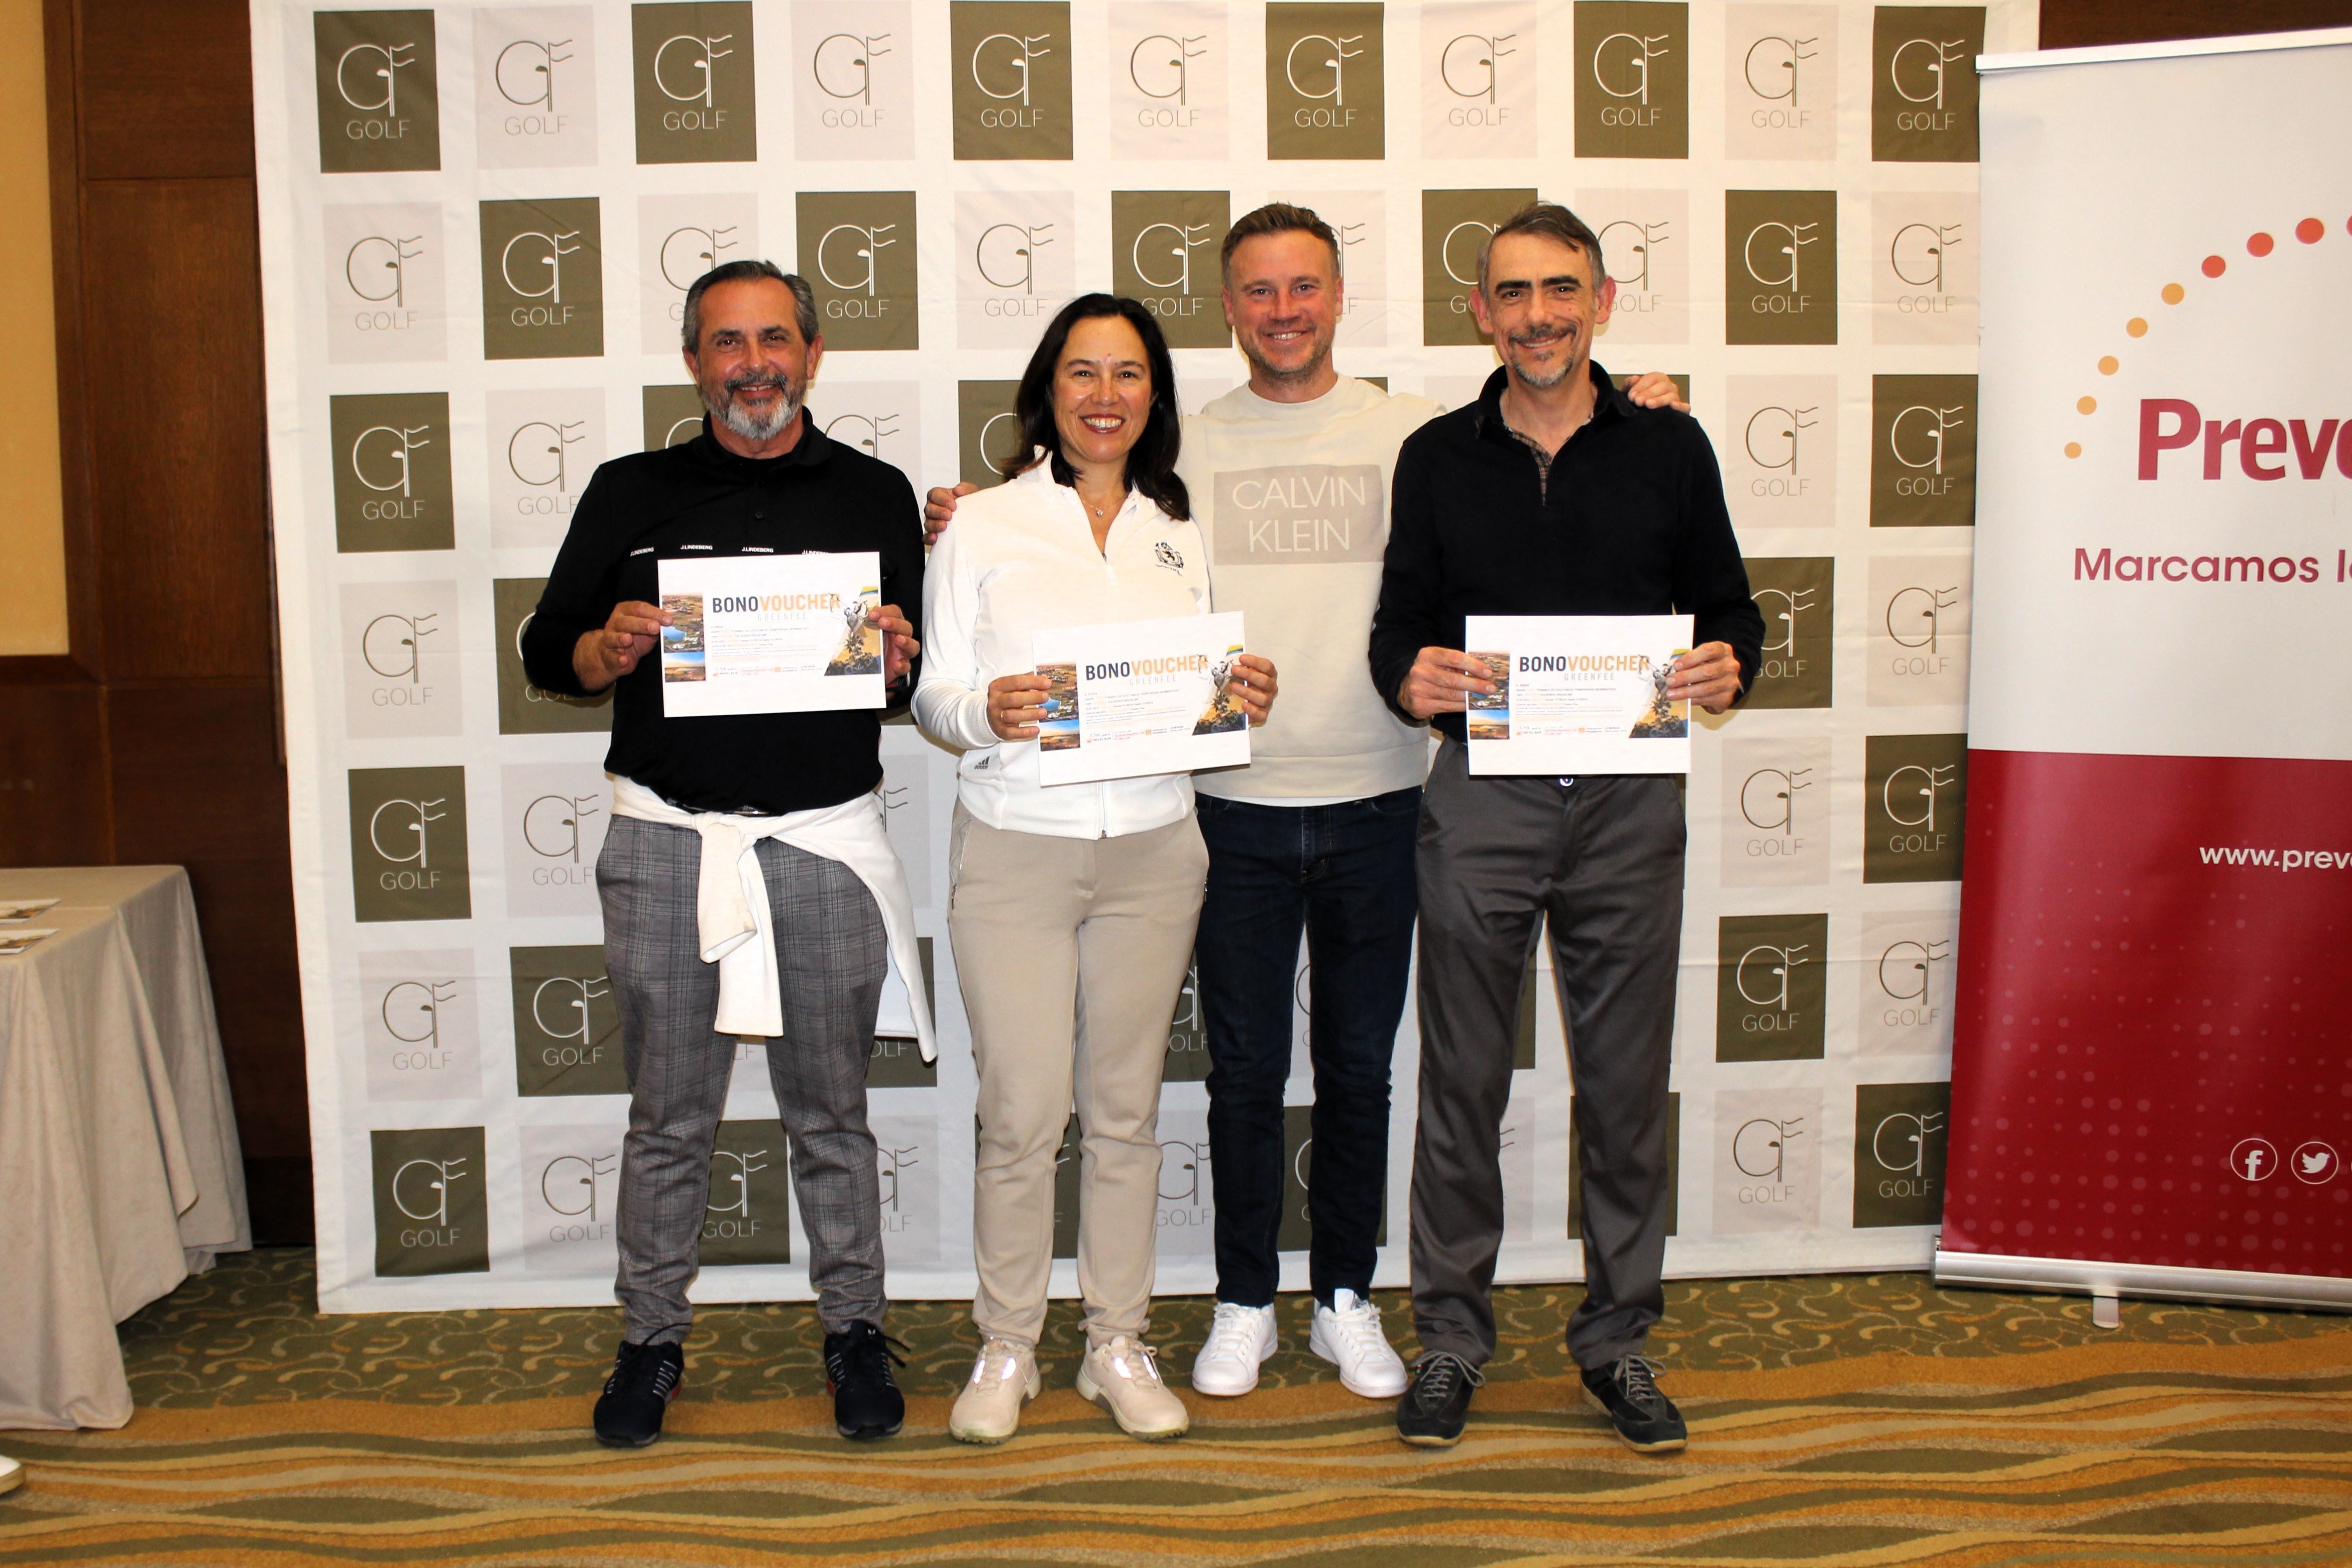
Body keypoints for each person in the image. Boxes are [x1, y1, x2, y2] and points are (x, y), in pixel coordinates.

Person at [925, 206, 1690, 1404]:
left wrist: (1641, 397)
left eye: (1304, 288)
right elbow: (1077, 526)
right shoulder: (1178, 454)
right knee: (1239, 1072)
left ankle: (1342, 1295)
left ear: (1338, 298)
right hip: (1226, 808)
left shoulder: (1417, 435)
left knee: (1359, 1072)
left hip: (1382, 799)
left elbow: (1543, 409)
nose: (1282, 311)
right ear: (1228, 309)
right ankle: (1242, 1299)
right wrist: (974, 514)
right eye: (1257, 291)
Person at [1369, 203, 1764, 1453]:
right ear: (1479, 313)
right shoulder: (1435, 456)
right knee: (1461, 1083)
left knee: (1624, 1087)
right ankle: (1449, 1340)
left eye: (1559, 289)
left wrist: (1727, 662)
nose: (1536, 315)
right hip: (1481, 793)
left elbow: (1729, 608)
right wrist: (1408, 679)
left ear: (1599, 299)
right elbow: (1398, 626)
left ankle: (1617, 1342)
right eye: (1511, 293)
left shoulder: (1667, 443)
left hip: (1626, 801)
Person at [520, 259, 930, 1449]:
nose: (753, 364)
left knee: (832, 1112)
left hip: (824, 842)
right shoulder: (629, 488)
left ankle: (854, 1329)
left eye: (773, 338)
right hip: (666, 841)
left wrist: (898, 657)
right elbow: (548, 647)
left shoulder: (873, 493)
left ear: (811, 352)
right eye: (727, 342)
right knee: (668, 1115)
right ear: (695, 361)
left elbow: (908, 671)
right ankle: (650, 1338)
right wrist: (604, 646)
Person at [914, 294, 1278, 1444]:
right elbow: (932, 694)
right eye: (1081, 372)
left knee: (1124, 1111)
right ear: (1048, 389)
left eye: (1127, 373)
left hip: (1156, 851)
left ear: (1152, 395)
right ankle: (1008, 1344)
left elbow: (1191, 691)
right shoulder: (980, 524)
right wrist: (984, 710)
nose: (1104, 395)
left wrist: (1239, 695)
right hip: (1016, 844)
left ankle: (1115, 1340)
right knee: (1022, 1111)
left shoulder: (1177, 528)